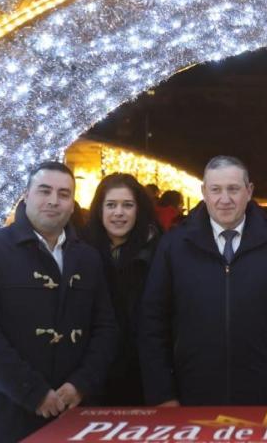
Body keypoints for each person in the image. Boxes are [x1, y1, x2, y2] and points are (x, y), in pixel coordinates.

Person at [139, 156, 267, 405]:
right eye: (216, 190)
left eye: (233, 189)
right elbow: (152, 319)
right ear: (204, 192)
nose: (225, 199)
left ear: (249, 191)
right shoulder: (174, 245)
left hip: (265, 392)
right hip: (193, 393)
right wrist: (163, 392)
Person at [0, 162, 117, 442]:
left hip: (73, 412)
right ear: (26, 195)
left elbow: (105, 327)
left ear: (72, 204)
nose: (54, 201)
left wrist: (80, 384)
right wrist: (33, 392)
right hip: (7, 413)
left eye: (64, 194)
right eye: (45, 191)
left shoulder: (88, 258)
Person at [85, 173, 161, 406]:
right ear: (99, 210)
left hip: (144, 373)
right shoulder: (80, 250)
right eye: (111, 205)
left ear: (139, 210)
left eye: (127, 205)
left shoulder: (159, 251)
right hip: (90, 374)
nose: (119, 213)